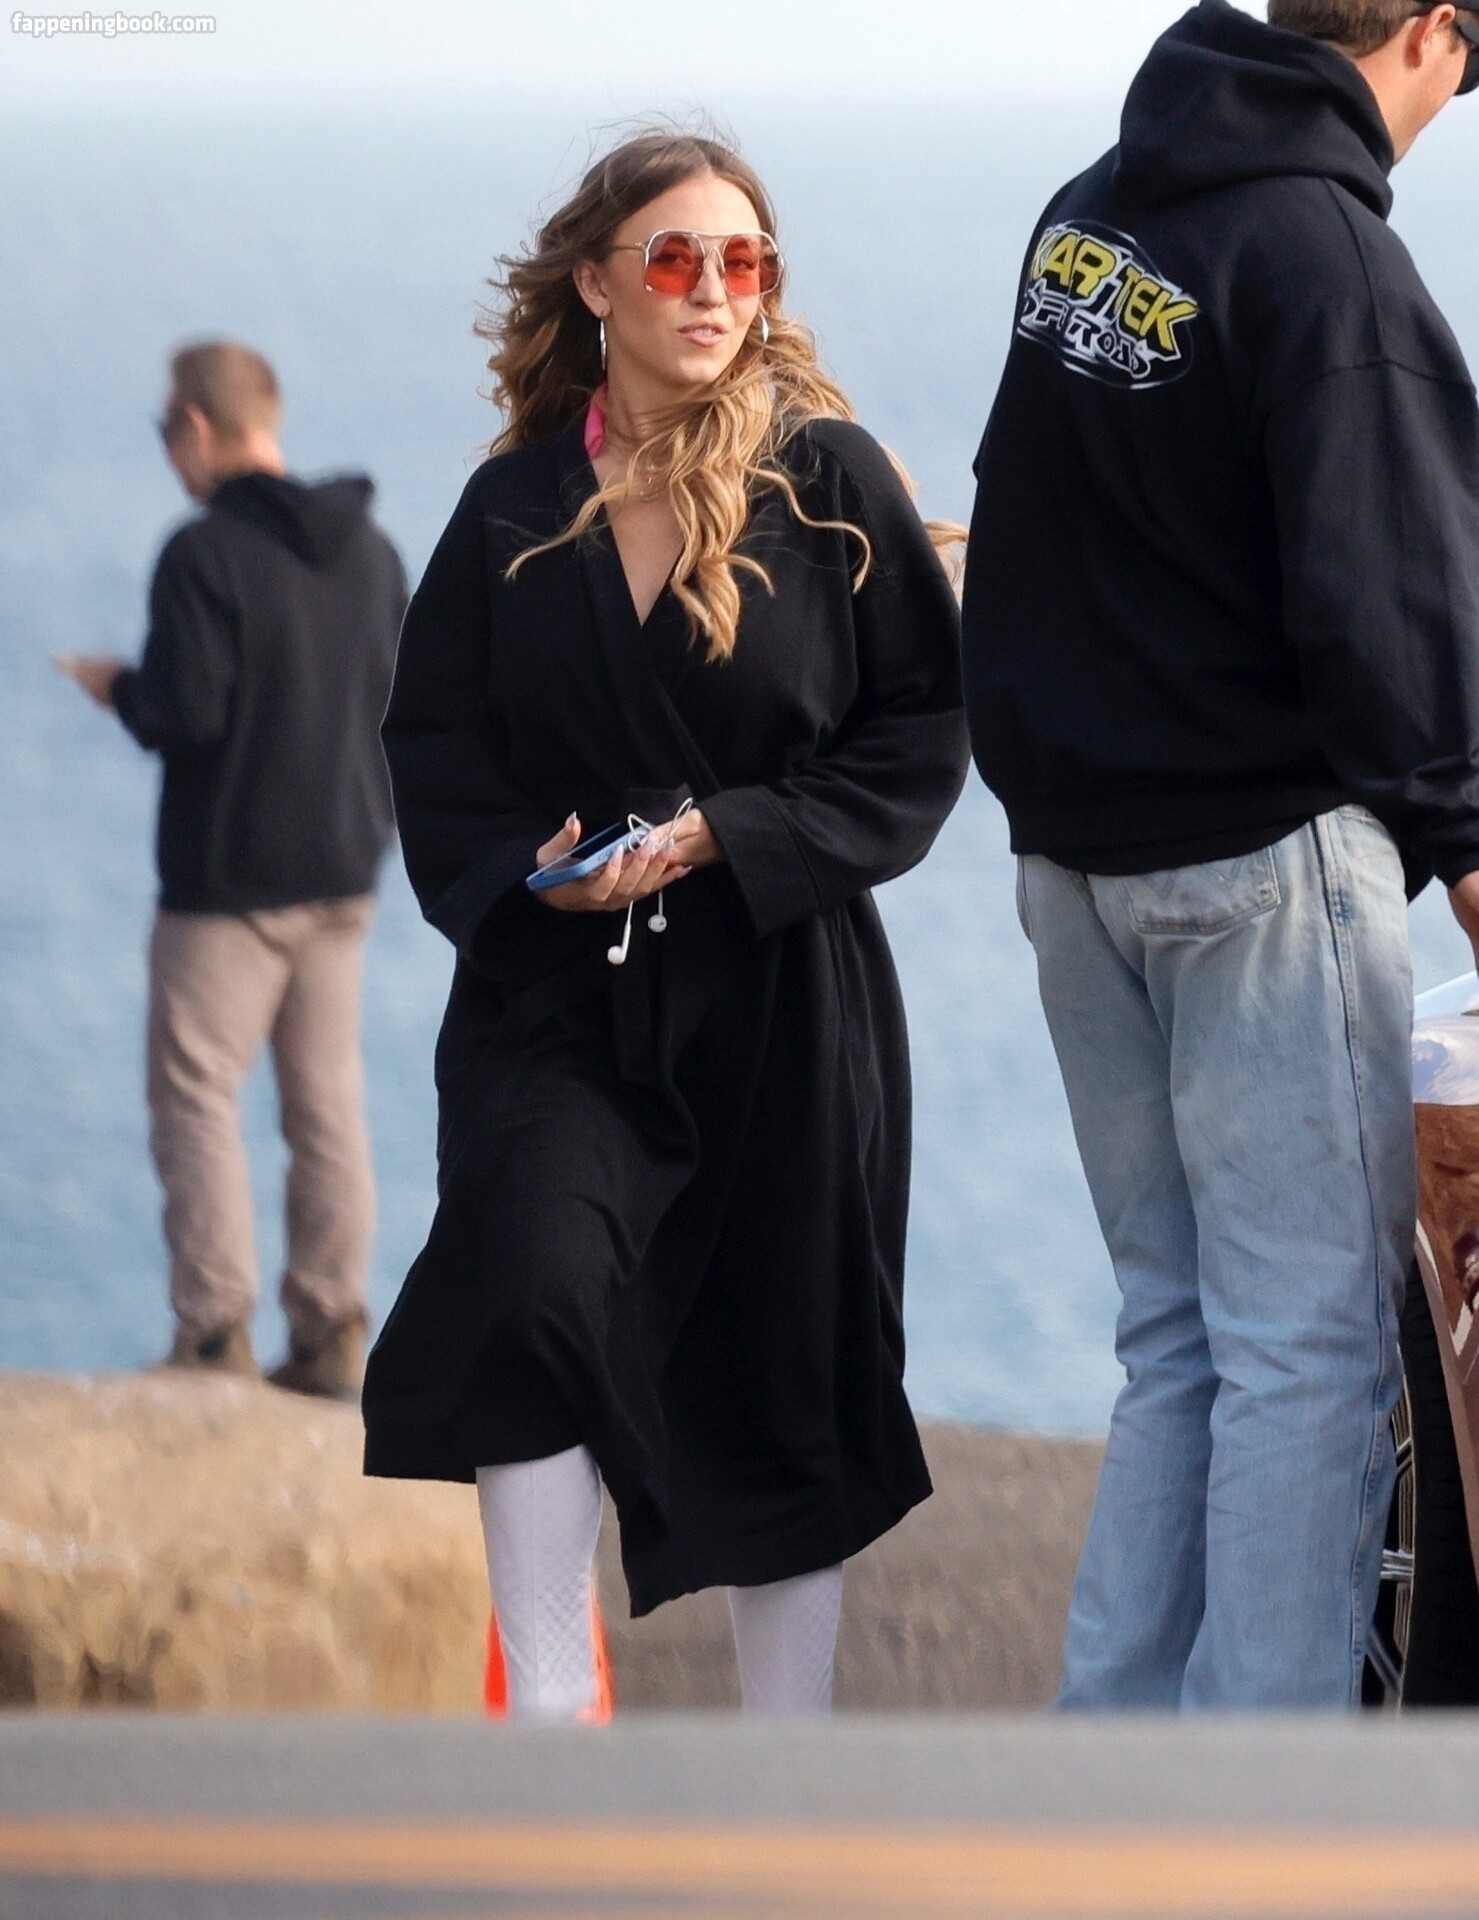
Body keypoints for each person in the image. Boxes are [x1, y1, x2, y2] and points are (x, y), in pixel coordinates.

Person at [362, 130, 968, 1719]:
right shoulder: (510, 508)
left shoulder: (826, 483)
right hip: (555, 1000)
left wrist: (729, 836)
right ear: (595, 280)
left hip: (782, 996)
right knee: (528, 1293)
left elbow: (918, 734)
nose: (712, 290)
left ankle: (785, 1778)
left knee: (784, 1374)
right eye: (675, 257)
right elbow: (434, 745)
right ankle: (550, 1729)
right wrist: (529, 873)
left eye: (742, 261)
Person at [963, 0, 1479, 1711]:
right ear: (1423, 34)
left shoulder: (1090, 213)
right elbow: (1391, 608)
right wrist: (1463, 845)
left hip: (1073, 869)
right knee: (1304, 1349)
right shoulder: (1329, 268)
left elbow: (1022, 507)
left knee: (1178, 1338)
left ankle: (1114, 1768)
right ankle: (1259, 1801)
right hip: (1257, 869)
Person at [57, 341, 406, 1398]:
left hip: (227, 886)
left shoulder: (201, 555)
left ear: (197, 428)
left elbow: (187, 712)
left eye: (169, 434)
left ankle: (213, 1334)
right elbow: (403, 707)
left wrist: (120, 688)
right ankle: (332, 1332)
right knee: (327, 1105)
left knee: (198, 1095)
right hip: (344, 872)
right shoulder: (372, 552)